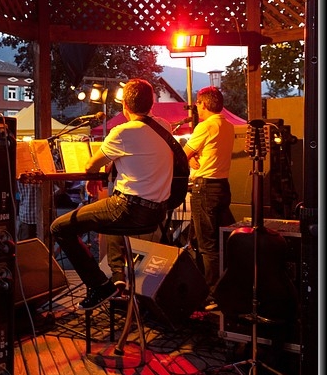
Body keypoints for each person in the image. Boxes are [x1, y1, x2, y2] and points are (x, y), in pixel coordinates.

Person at [50, 78, 173, 310]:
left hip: (129, 209)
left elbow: (90, 165)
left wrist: (93, 176)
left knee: (59, 228)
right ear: (151, 103)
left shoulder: (123, 132)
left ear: (124, 105)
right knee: (109, 219)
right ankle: (117, 277)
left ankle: (99, 285)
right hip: (157, 213)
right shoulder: (164, 126)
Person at [182, 86, 235, 303]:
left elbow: (182, 154)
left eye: (197, 103)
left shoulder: (205, 126)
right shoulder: (228, 125)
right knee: (204, 240)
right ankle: (212, 286)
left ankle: (212, 294)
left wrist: (189, 157)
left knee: (207, 245)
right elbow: (209, 152)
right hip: (222, 186)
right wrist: (195, 157)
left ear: (204, 104)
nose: (196, 106)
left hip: (204, 188)